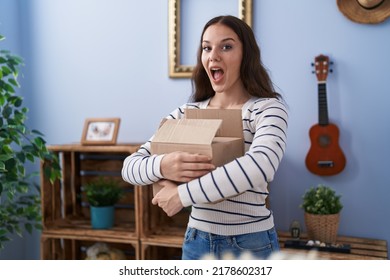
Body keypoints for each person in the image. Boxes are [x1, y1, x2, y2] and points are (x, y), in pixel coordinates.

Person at [122, 15, 288, 260]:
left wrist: (182, 195)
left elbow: (260, 167)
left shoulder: (267, 109)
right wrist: (164, 165)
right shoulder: (187, 114)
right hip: (197, 242)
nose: (214, 56)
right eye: (207, 48)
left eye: (226, 46)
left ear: (247, 55)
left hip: (252, 245)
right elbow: (130, 167)